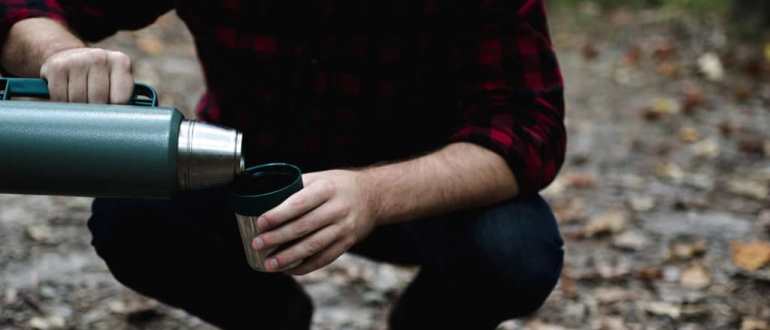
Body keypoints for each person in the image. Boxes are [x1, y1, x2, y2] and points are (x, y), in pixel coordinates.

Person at [0, 0, 566, 329]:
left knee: (514, 252)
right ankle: (272, 322)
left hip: (421, 189)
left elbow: (528, 126)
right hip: (246, 168)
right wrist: (54, 51)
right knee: (131, 216)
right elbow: (27, 5)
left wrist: (373, 196)